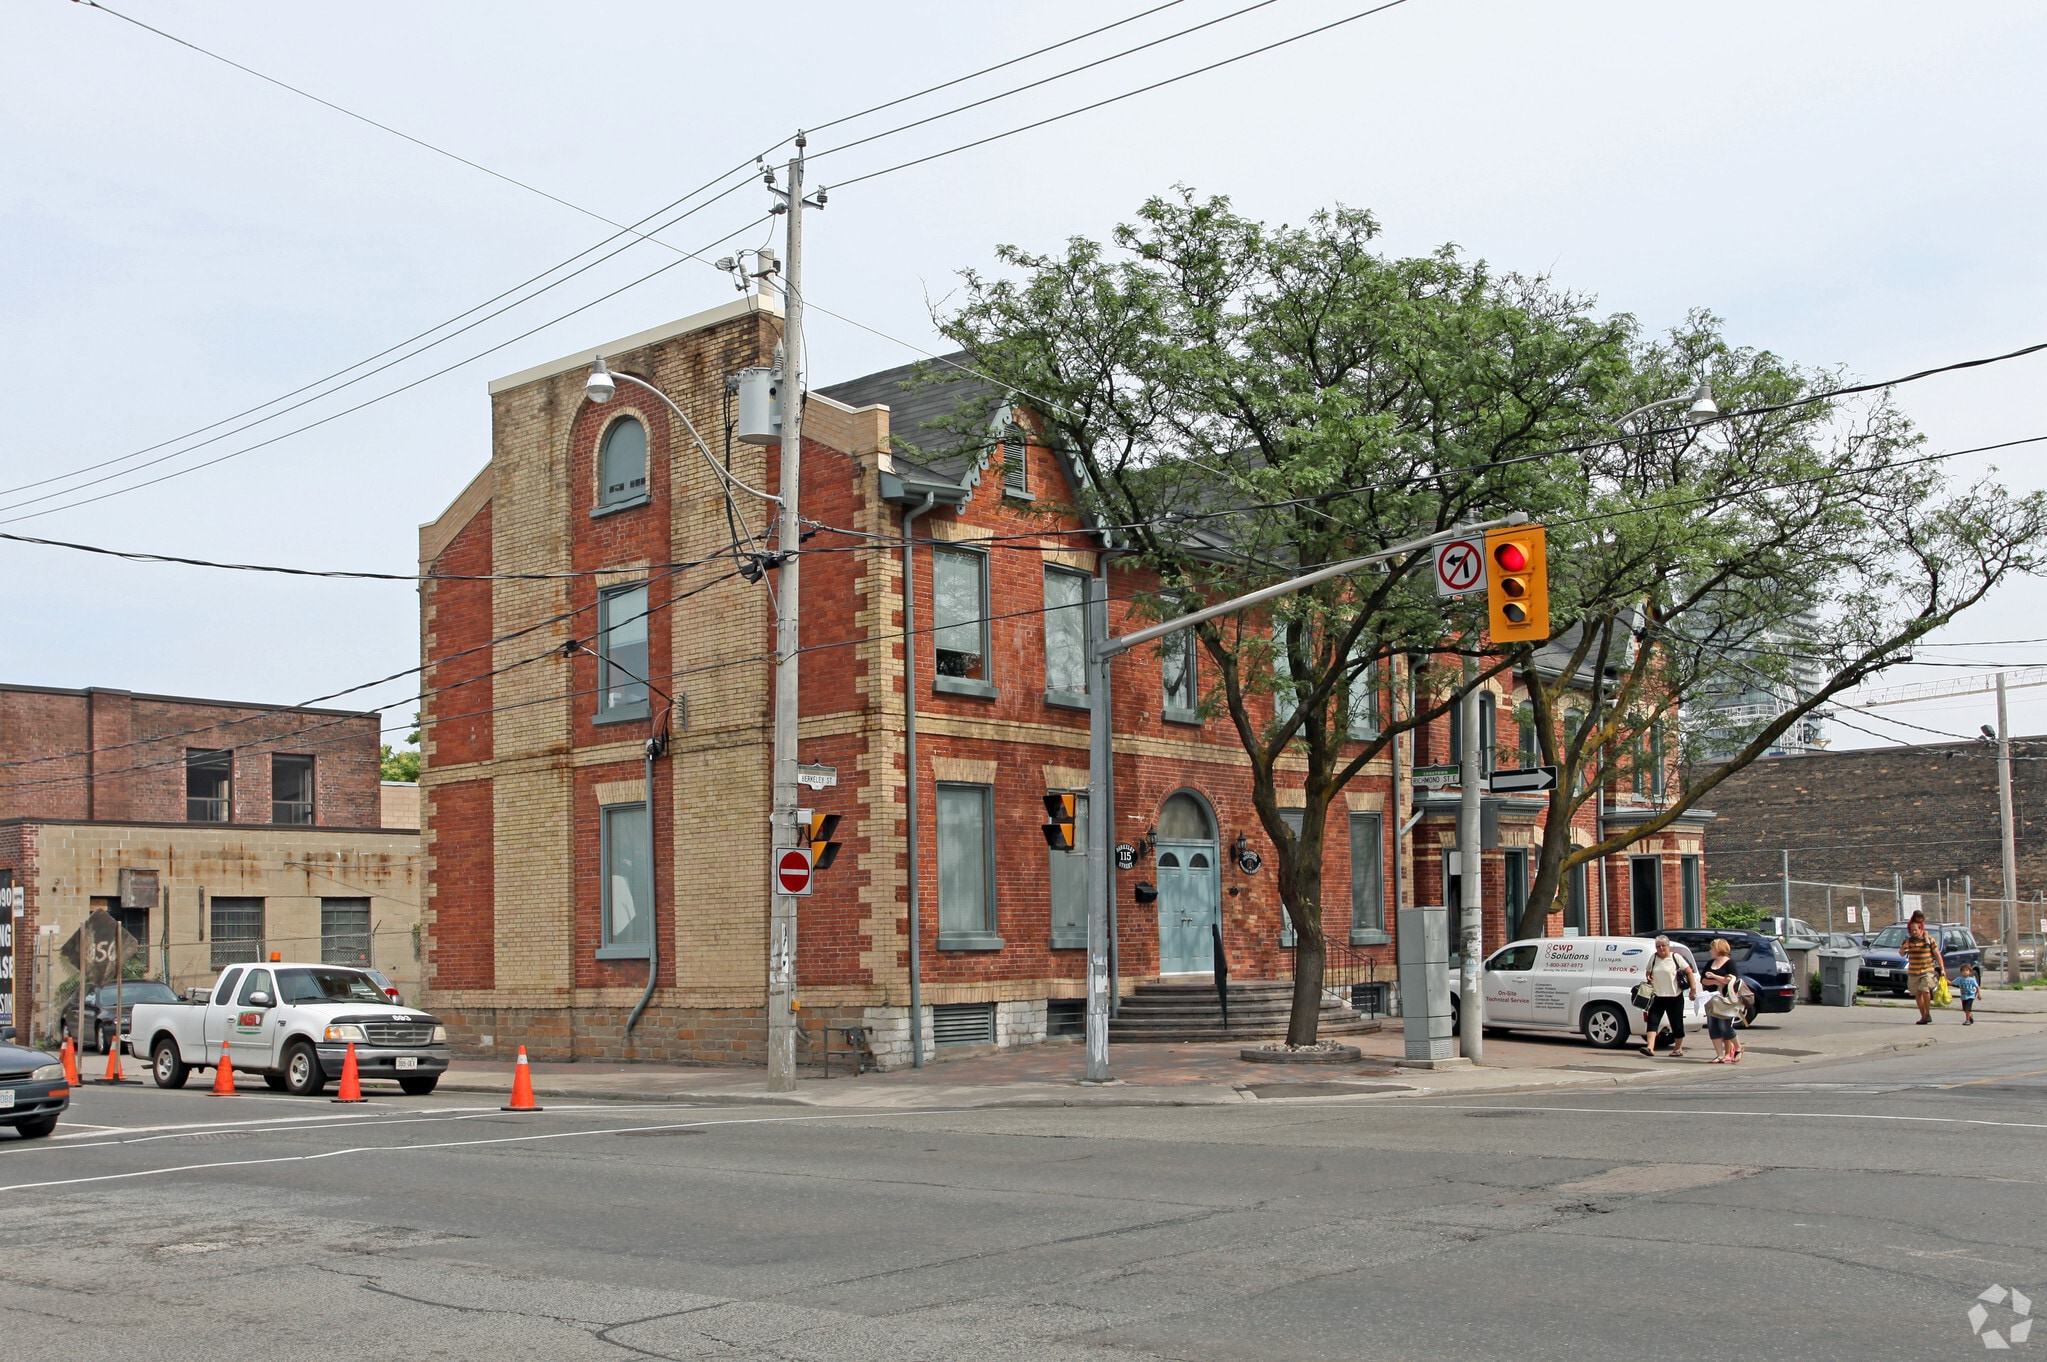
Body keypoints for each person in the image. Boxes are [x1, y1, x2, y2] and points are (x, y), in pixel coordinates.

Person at [1642, 935, 1699, 1058]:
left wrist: (1693, 989)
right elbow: (1648, 972)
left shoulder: (1675, 957)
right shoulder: (1653, 958)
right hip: (1658, 995)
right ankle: (1650, 1047)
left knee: (1676, 1023)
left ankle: (1678, 1048)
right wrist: (1649, 977)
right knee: (1652, 1021)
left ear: (1668, 946)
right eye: (1658, 946)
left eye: (1663, 946)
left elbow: (1689, 971)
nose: (1661, 948)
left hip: (1675, 996)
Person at [1701, 937, 1745, 1063]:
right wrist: (1717, 981)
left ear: (1718, 949)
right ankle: (1719, 1055)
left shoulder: (1729, 963)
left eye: (1712, 948)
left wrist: (1714, 976)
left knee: (1724, 1026)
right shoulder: (1710, 963)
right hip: (1710, 998)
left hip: (1725, 1000)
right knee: (1713, 1026)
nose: (1710, 951)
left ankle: (1738, 1048)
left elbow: (1730, 980)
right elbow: (1703, 980)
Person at [1901, 910, 1947, 1025]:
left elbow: (1937, 955)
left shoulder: (1930, 940)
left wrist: (1942, 969)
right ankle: (1923, 1016)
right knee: (1917, 994)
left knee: (1925, 990)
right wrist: (1903, 948)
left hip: (1927, 970)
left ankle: (1928, 1013)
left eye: (1915, 930)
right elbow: (1901, 953)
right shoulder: (1908, 941)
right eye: (1911, 931)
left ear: (1921, 929)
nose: (1913, 932)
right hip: (1913, 971)